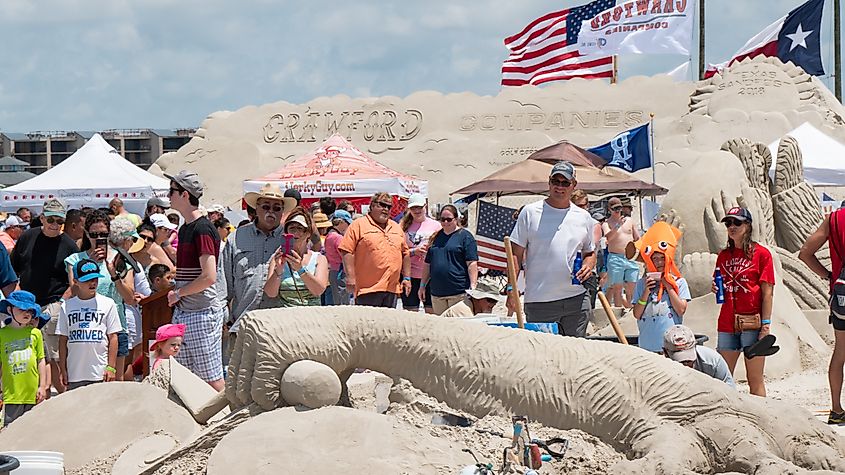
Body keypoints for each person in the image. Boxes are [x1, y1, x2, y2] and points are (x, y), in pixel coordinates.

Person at [508, 161, 596, 337]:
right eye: (556, 181)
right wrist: (512, 289)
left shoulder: (584, 217)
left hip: (576, 300)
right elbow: (514, 256)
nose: (560, 187)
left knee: (575, 356)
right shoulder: (530, 212)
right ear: (549, 182)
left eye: (565, 183)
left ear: (574, 185)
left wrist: (588, 265)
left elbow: (590, 252)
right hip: (540, 301)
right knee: (544, 358)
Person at [11, 198, 79, 395]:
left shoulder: (69, 245)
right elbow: (14, 268)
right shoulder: (27, 237)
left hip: (53, 304)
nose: (55, 225)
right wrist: (17, 297)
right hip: (26, 305)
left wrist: (60, 302)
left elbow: (73, 282)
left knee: (54, 357)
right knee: (28, 354)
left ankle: (62, 398)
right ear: (42, 218)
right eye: (51, 220)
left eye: (59, 221)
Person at [164, 170, 224, 391]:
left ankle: (231, 421)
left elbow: (209, 277)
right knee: (188, 377)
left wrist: (179, 293)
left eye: (172, 191)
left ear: (185, 195)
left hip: (201, 312)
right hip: (187, 311)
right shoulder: (186, 227)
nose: (169, 195)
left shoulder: (202, 228)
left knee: (211, 377)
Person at [65, 214, 140, 381]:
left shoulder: (121, 259)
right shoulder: (75, 260)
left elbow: (130, 299)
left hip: (115, 327)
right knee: (85, 383)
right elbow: (75, 292)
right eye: (93, 235)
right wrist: (89, 266)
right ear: (86, 234)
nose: (99, 238)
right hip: (85, 328)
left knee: (114, 383)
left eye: (103, 234)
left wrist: (114, 273)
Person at [221, 183, 297, 348]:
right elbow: (224, 283)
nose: (271, 211)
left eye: (277, 208)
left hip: (280, 327)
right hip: (243, 324)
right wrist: (224, 318)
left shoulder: (289, 240)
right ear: (256, 208)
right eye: (266, 206)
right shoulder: (237, 238)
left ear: (282, 211)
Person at [713, 207, 773, 398]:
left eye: (737, 222)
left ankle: (762, 420)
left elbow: (768, 293)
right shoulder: (723, 256)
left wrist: (765, 325)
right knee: (722, 379)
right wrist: (715, 287)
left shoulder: (762, 254)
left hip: (752, 323)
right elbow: (719, 282)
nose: (732, 227)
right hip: (727, 322)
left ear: (747, 225)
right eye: (728, 223)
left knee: (754, 380)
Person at [799, 206, 845, 423]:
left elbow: (805, 253)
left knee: (840, 352)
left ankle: (836, 410)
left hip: (841, 294)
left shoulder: (834, 219)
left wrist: (829, 275)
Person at [57, 259, 121, 390]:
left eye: (95, 279)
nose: (92, 283)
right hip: (75, 372)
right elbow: (63, 340)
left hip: (100, 372)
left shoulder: (108, 304)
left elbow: (113, 337)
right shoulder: (67, 306)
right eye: (87, 280)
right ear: (75, 281)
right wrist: (63, 369)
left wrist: (111, 367)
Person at [339, 192, 411, 308]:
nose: (385, 209)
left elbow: (405, 253)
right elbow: (347, 251)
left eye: (389, 207)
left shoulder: (396, 227)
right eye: (382, 205)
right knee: (368, 325)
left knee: (388, 325)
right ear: (372, 206)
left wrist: (407, 278)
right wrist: (350, 277)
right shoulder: (358, 225)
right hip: (367, 290)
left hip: (391, 289)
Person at [631, 222, 690, 353]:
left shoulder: (679, 282)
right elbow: (637, 314)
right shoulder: (642, 284)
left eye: (662, 258)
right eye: (655, 259)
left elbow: (681, 309)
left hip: (672, 346)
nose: (659, 262)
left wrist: (669, 286)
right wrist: (646, 292)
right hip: (647, 346)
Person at [419, 205, 478, 315]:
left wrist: (473, 285)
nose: (446, 222)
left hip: (459, 293)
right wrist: (422, 285)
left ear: (456, 219)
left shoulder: (465, 237)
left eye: (449, 219)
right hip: (437, 294)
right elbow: (428, 264)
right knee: (442, 329)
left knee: (461, 326)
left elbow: (472, 263)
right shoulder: (435, 237)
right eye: (443, 219)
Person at [0, 290, 48, 425]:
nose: (27, 313)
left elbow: (41, 360)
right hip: (12, 395)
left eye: (30, 310)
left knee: (32, 432)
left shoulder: (36, 333)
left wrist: (42, 386)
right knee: (11, 432)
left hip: (33, 394)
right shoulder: (2, 334)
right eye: (22, 309)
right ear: (10, 309)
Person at [264, 213, 329, 306]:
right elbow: (271, 293)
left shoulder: (319, 259)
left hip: (312, 316)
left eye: (300, 228)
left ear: (308, 233)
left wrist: (300, 269)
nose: (295, 233)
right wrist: (278, 271)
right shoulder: (277, 258)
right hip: (285, 316)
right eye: (292, 228)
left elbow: (318, 291)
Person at [401, 193, 440, 313]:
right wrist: (414, 251)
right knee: (410, 313)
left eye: (419, 207)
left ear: (425, 206)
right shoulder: (402, 226)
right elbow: (400, 250)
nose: (417, 210)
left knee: (431, 312)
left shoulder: (436, 225)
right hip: (410, 275)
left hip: (430, 275)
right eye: (413, 208)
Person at [663, 325, 736, 388]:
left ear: (695, 347)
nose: (686, 365)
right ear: (666, 353)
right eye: (681, 362)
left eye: (689, 361)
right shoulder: (660, 371)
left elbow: (730, 392)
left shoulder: (713, 361)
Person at [602, 197, 641, 309]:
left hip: (630, 257)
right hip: (615, 257)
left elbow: (637, 238)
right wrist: (618, 225)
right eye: (615, 209)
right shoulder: (606, 223)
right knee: (617, 287)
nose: (617, 211)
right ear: (609, 209)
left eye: (619, 208)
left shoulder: (630, 221)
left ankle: (632, 308)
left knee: (632, 285)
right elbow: (608, 237)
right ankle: (619, 310)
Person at [571, 190, 601, 309]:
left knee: (586, 310)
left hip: (586, 272)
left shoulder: (594, 224)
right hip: (569, 272)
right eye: (577, 206)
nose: (581, 209)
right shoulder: (569, 223)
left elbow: (590, 245)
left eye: (583, 205)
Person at [324, 209, 352, 305]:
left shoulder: (329, 236)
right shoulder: (338, 238)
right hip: (341, 271)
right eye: (347, 223)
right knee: (343, 300)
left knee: (337, 299)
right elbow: (344, 255)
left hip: (333, 270)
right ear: (341, 222)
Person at [441, 281, 505, 318]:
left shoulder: (474, 308)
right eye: (490, 300)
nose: (493, 304)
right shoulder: (464, 309)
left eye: (495, 301)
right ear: (477, 298)